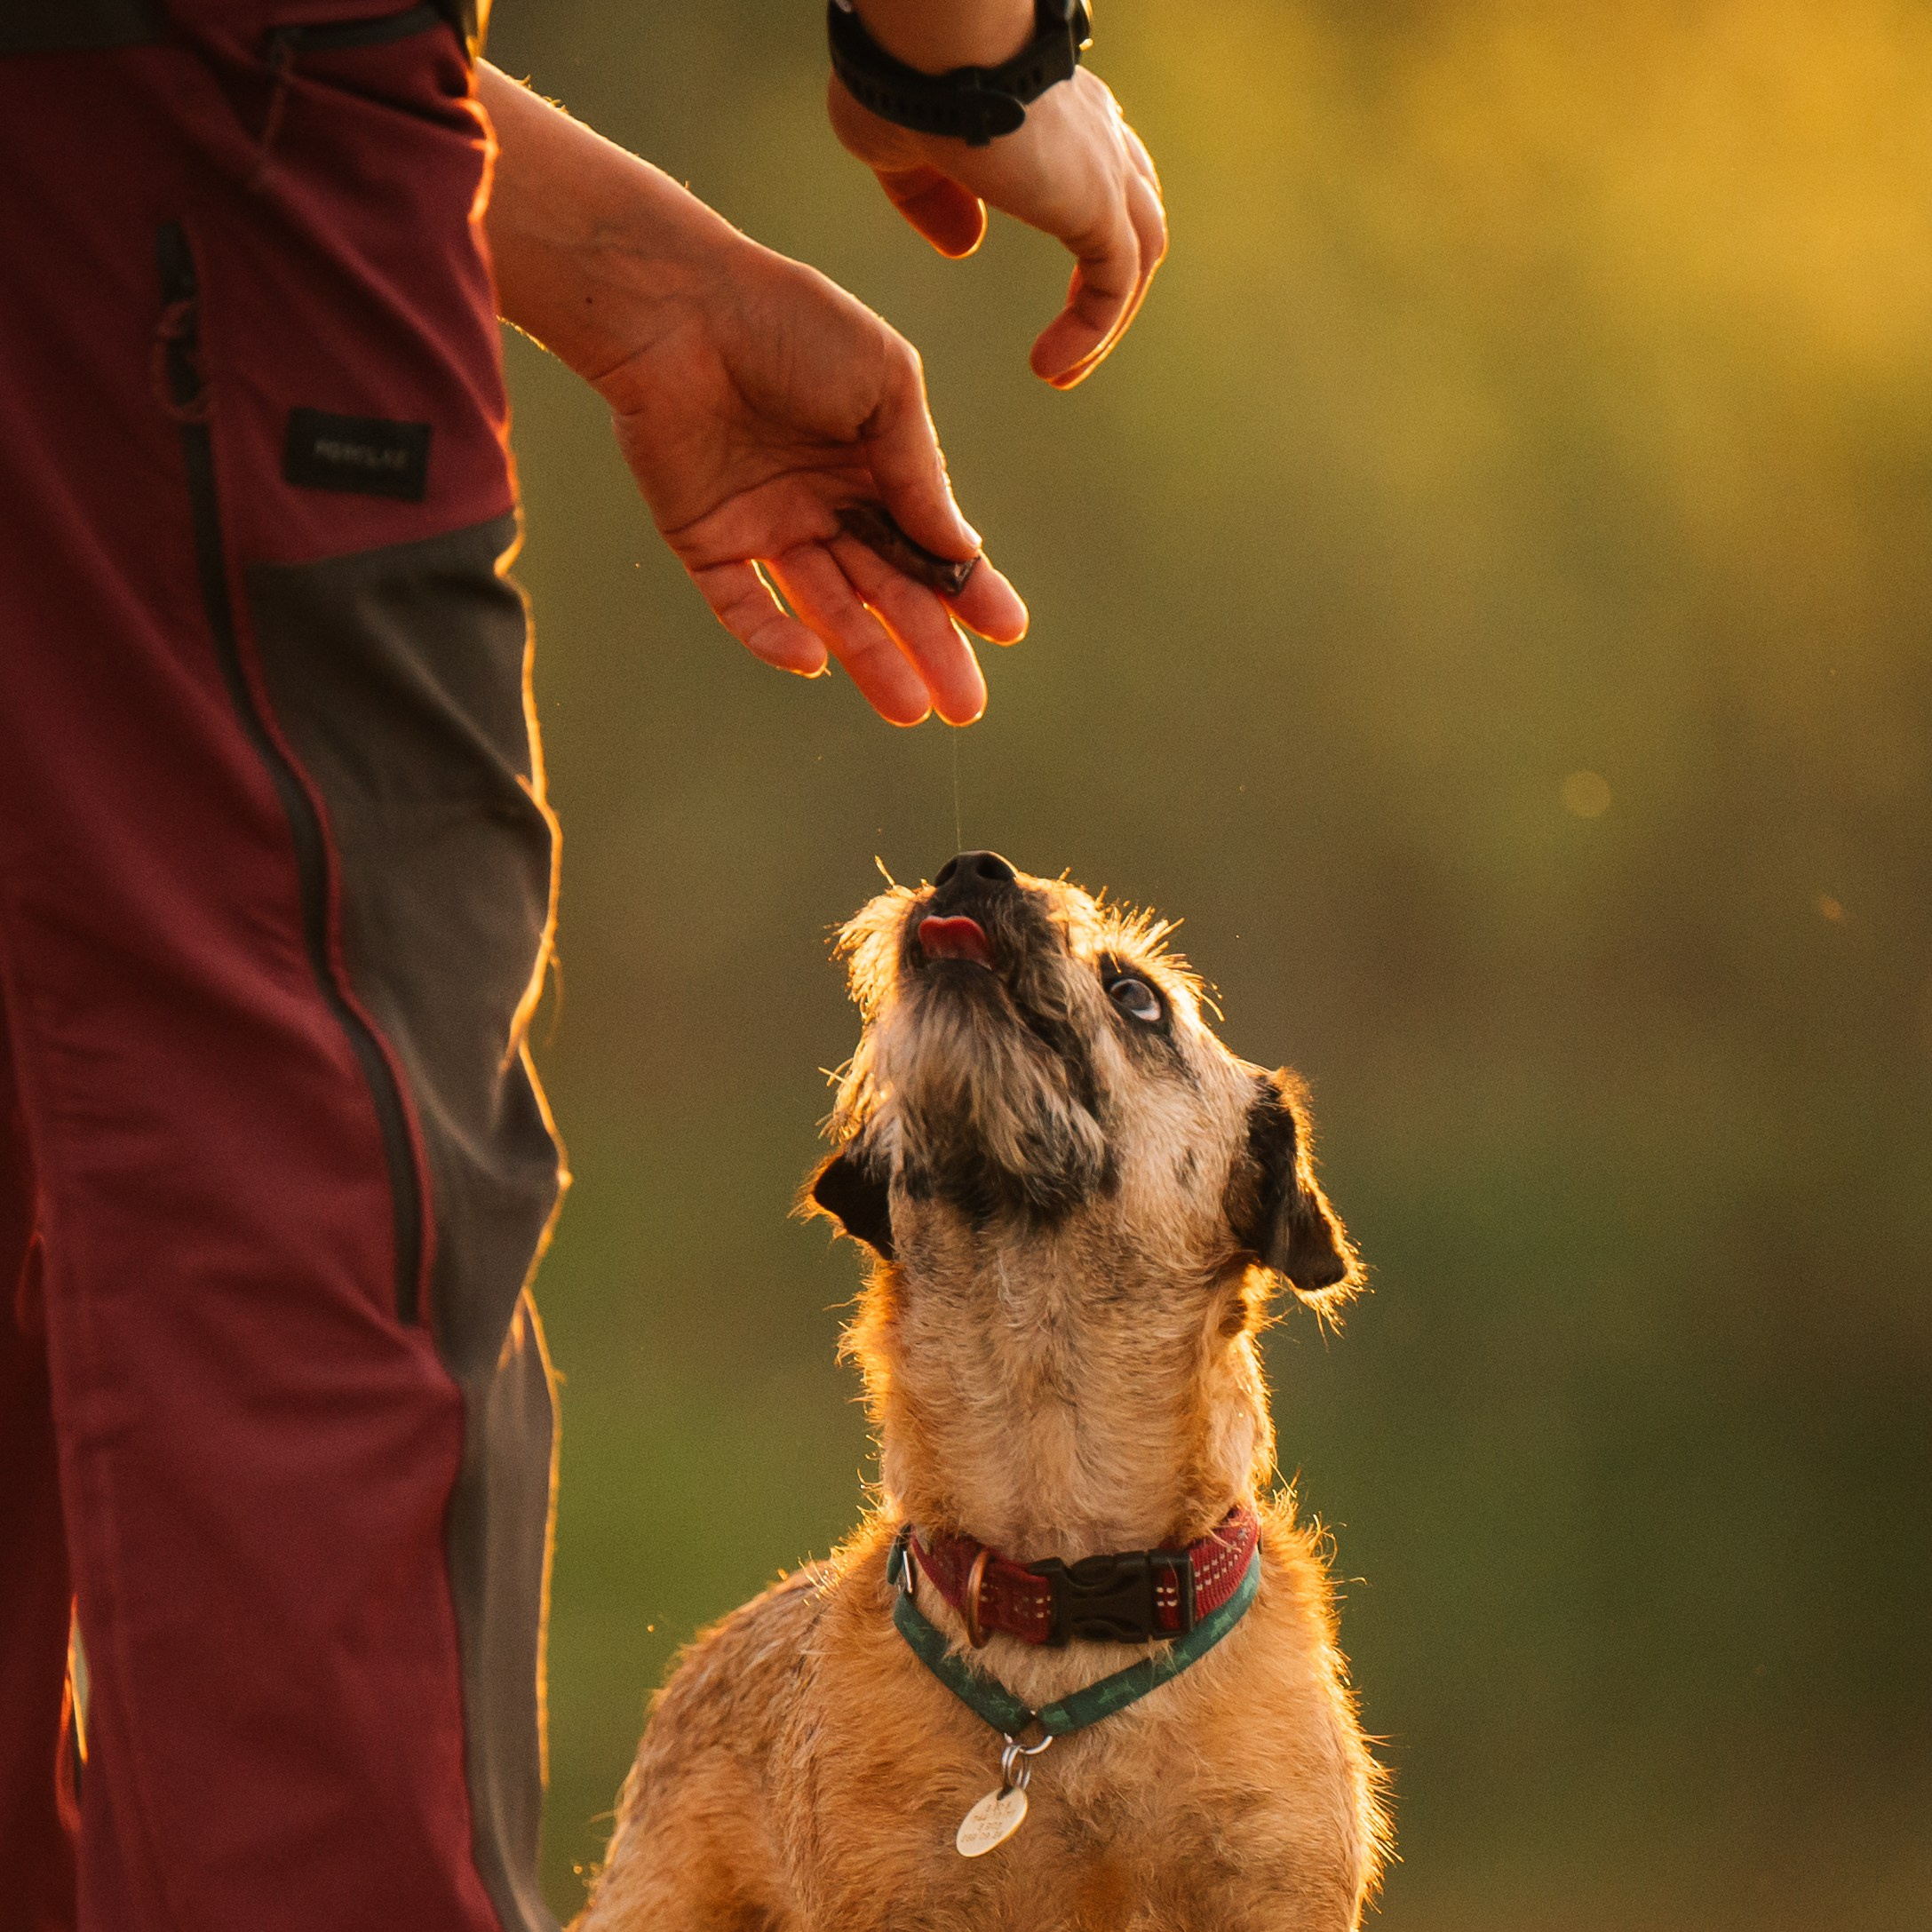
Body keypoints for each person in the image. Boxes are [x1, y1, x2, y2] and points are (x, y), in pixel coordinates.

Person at [0, 3, 1165, 1928]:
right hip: (203, 217)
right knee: (309, 1205)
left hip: (165, 151)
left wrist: (639, 286)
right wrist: (967, 55)